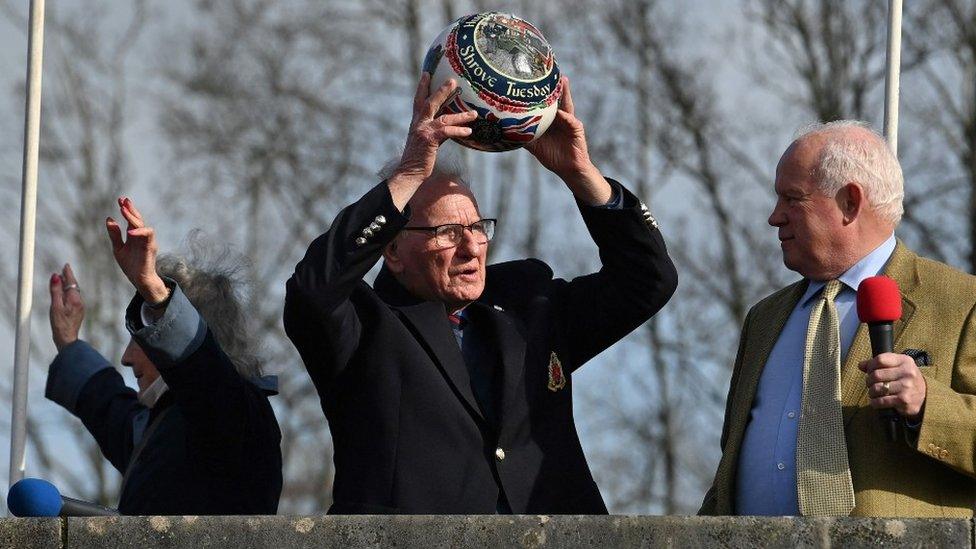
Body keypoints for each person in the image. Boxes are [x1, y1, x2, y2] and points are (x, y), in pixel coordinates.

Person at [284, 73, 677, 514]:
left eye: (477, 228)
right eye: (447, 232)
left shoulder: (530, 308)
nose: (471, 246)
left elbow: (649, 279)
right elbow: (312, 290)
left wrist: (581, 174)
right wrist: (411, 173)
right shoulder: (364, 325)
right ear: (393, 251)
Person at [700, 121, 976, 517]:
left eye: (792, 199)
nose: (774, 217)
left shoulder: (962, 303)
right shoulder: (764, 319)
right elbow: (729, 469)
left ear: (850, 202)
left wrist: (927, 404)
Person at [46, 198, 282, 515]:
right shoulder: (162, 430)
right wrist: (69, 342)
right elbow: (109, 407)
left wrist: (156, 295)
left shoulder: (238, 415)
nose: (127, 358)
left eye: (144, 337)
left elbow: (205, 377)